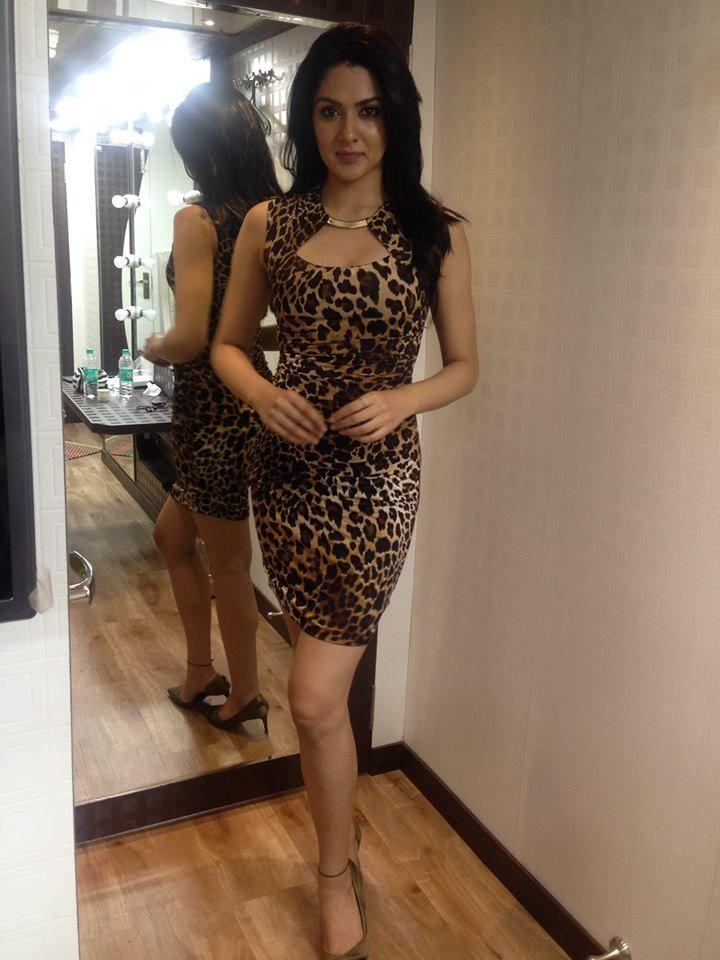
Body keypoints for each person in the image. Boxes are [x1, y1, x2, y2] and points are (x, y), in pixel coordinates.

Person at [212, 24, 478, 959]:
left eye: (367, 111)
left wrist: (403, 399)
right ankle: (342, 841)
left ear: (395, 117)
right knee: (317, 693)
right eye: (329, 112)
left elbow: (465, 367)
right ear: (307, 120)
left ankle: (335, 873)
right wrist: (262, 395)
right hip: (284, 478)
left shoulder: (434, 231)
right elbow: (226, 345)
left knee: (315, 699)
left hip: (376, 489)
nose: (349, 132)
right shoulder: (270, 223)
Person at [142, 82, 280, 733]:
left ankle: (245, 691)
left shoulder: (196, 222)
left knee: (228, 562)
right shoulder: (267, 218)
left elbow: (192, 336)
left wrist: (154, 345)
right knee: (172, 538)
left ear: (199, 150)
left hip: (211, 413)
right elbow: (254, 325)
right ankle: (202, 670)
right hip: (238, 402)